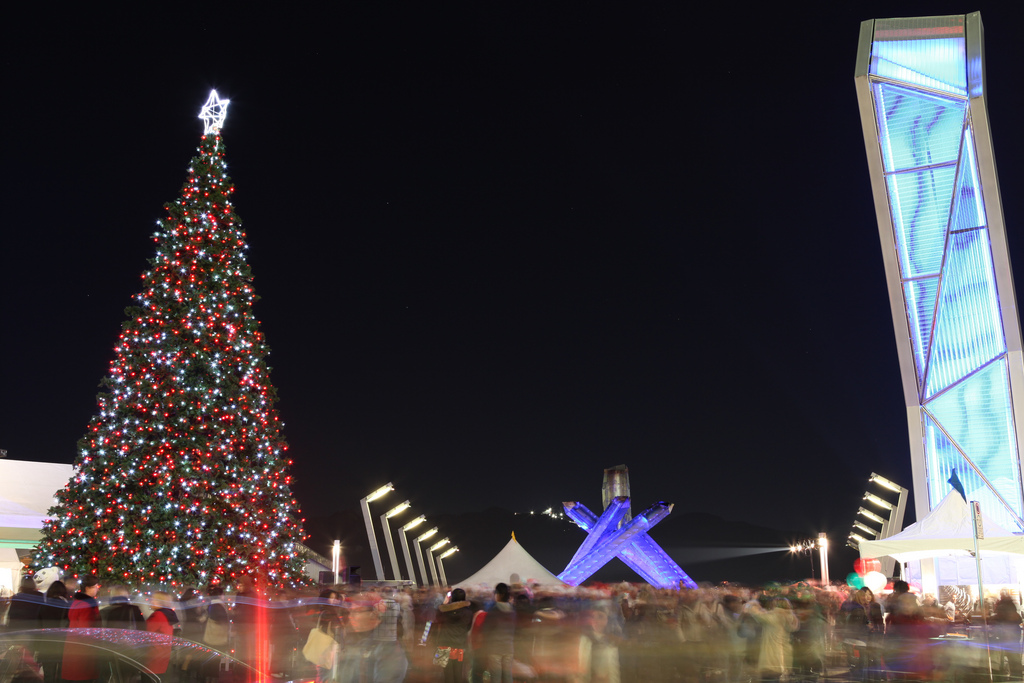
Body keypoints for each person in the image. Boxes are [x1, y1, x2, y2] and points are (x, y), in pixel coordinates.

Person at [61, 576, 101, 683]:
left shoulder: (77, 602)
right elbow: (87, 631)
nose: (98, 589)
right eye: (96, 586)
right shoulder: (87, 606)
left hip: (73, 649)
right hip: (84, 653)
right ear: (88, 588)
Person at [435, 588, 474, 683]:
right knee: (458, 673)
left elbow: (437, 619)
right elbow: (468, 628)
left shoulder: (444, 612)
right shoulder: (468, 613)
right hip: (459, 646)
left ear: (452, 598)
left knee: (447, 674)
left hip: (445, 645)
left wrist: (444, 603)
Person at [480, 583, 516, 683]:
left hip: (495, 648)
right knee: (508, 676)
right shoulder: (513, 610)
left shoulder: (494, 611)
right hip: (509, 647)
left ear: (499, 594)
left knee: (495, 676)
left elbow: (486, 630)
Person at [145, 591, 180, 677]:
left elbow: (145, 633)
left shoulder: (158, 615)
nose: (150, 601)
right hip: (163, 654)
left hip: (153, 656)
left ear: (160, 602)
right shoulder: (167, 614)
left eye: (153, 599)